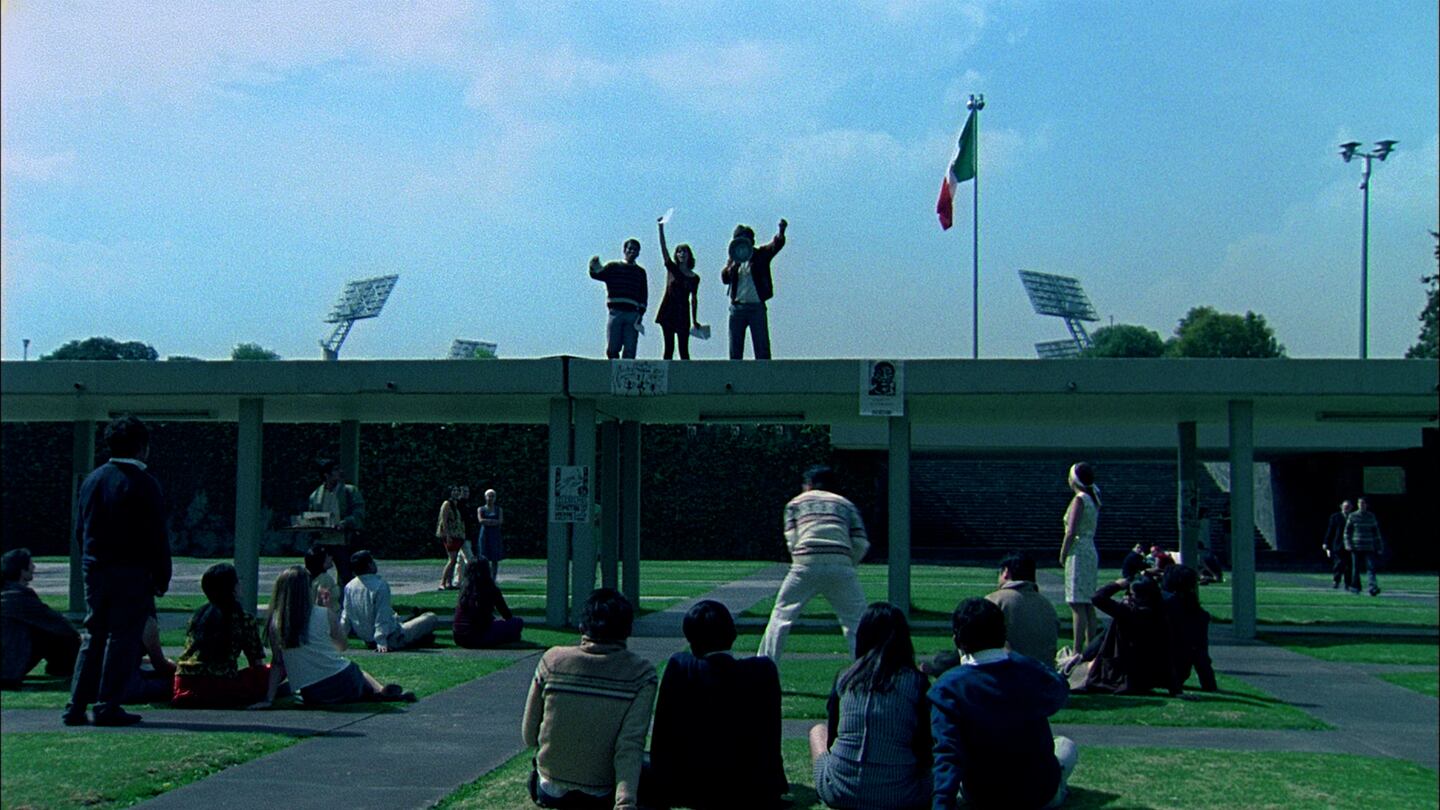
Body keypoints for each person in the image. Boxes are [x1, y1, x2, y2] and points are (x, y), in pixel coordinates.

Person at [64, 414, 172, 727]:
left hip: (96, 568)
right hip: (132, 571)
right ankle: (108, 704)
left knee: (94, 635)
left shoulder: (92, 481)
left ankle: (76, 705)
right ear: (142, 446)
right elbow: (156, 536)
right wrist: (161, 575)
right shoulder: (144, 484)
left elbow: (81, 530)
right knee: (123, 638)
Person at [929, 598, 1077, 810]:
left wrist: (942, 803)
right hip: (1039, 794)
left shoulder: (948, 687)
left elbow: (948, 754)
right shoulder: (1026, 670)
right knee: (1066, 746)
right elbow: (1059, 692)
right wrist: (1017, 658)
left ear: (957, 639)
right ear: (1003, 633)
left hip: (984, 795)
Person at [522, 588, 657, 810]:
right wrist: (625, 802)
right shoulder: (641, 674)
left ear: (582, 626)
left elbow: (529, 736)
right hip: (601, 791)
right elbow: (630, 744)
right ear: (628, 629)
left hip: (549, 787)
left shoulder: (551, 661)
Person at [649, 600, 787, 809]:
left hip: (691, 786)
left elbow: (663, 734)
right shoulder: (762, 672)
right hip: (751, 786)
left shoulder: (683, 669)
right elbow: (771, 735)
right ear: (732, 633)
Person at [810, 602, 931, 810]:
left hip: (839, 791)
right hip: (900, 796)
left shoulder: (845, 678)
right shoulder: (916, 682)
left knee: (817, 731)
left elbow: (831, 739)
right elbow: (923, 748)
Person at [254, 565, 414, 707]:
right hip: (342, 679)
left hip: (313, 693)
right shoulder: (324, 614)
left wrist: (269, 699)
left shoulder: (276, 623)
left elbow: (278, 663)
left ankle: (376, 692)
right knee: (355, 670)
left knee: (291, 687)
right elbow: (342, 646)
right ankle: (379, 691)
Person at [757, 465, 869, 663]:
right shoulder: (846, 504)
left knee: (781, 617)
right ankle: (867, 669)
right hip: (841, 564)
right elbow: (860, 542)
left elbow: (792, 539)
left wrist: (801, 558)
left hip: (805, 564)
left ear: (809, 484)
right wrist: (848, 563)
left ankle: (764, 667)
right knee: (857, 622)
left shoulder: (795, 503)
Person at [924, 552, 1059, 677]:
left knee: (946, 658)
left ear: (1005, 572)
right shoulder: (1047, 606)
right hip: (1045, 675)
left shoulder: (994, 601)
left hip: (1007, 675)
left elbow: (971, 644)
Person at [172, 563, 272, 708]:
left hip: (185, 684)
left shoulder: (198, 617)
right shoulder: (243, 618)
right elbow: (256, 662)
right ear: (232, 588)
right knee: (274, 670)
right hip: (221, 685)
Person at [1080, 575, 1180, 696]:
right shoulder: (1160, 617)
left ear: (1141, 597)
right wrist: (1175, 689)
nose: (1128, 597)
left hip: (1120, 675)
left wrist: (1117, 585)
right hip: (1144, 678)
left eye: (1131, 595)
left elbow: (1097, 598)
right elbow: (1167, 654)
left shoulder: (1129, 613)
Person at [1, 548, 80, 690]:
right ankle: (63, 668)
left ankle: (60, 667)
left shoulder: (7, 593)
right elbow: (60, 624)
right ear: (22, 571)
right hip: (7, 668)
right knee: (54, 632)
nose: (34, 567)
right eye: (31, 564)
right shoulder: (18, 596)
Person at [341, 551, 437, 652]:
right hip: (392, 637)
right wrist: (381, 640)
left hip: (368, 639)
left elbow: (346, 616)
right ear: (369, 565)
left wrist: (341, 638)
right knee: (431, 618)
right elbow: (382, 615)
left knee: (405, 620)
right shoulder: (380, 585)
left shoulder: (349, 587)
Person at [721, 218, 786, 359]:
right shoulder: (733, 259)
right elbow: (724, 278)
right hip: (737, 308)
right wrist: (733, 265)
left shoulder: (760, 255)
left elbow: (775, 245)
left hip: (756, 307)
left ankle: (764, 372)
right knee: (735, 348)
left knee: (762, 347)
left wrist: (781, 231)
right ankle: (735, 372)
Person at [1058, 462, 1100, 655]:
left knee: (1076, 602)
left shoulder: (1079, 500)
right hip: (1089, 549)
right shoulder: (1092, 499)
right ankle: (1091, 646)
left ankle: (1077, 649)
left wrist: (1063, 553)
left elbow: (1071, 531)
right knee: (1088, 602)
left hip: (1078, 551)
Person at [307, 458, 365, 584]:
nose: (340, 472)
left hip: (342, 542)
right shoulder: (315, 495)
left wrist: (345, 523)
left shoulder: (349, 491)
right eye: (336, 470)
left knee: (346, 576)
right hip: (322, 541)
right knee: (316, 575)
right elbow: (312, 517)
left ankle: (344, 596)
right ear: (326, 475)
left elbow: (359, 513)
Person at [588, 239, 648, 359]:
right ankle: (613, 367)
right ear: (624, 250)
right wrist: (593, 265)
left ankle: (626, 369)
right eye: (630, 249)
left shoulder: (640, 272)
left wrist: (641, 313)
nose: (632, 251)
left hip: (633, 313)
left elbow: (643, 294)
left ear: (638, 253)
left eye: (635, 250)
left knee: (630, 348)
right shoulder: (613, 267)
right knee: (612, 347)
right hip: (615, 312)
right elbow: (597, 274)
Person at [1161, 565, 1218, 692]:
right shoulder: (1197, 614)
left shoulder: (1162, 605)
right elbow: (1201, 656)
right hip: (1178, 674)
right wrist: (1209, 685)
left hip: (1153, 672)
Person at [452, 556, 523, 648]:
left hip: (458, 637)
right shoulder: (491, 589)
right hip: (479, 635)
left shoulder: (464, 589)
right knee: (517, 622)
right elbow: (507, 615)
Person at [655, 218, 701, 360]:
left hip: (683, 313)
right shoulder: (672, 269)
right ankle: (665, 373)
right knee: (669, 348)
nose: (682, 254)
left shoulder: (694, 277)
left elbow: (694, 299)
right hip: (669, 310)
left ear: (689, 255)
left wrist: (695, 320)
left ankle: (686, 374)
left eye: (684, 252)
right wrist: (661, 228)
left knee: (684, 351)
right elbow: (664, 249)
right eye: (679, 252)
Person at [1345, 497, 1385, 596]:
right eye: (1359, 503)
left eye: (1363, 503)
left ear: (1366, 505)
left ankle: (1373, 587)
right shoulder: (1352, 516)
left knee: (1371, 568)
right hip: (1356, 546)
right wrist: (1348, 544)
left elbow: (1376, 532)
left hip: (1369, 546)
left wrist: (1379, 546)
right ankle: (1355, 587)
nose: (1361, 505)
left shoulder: (1371, 516)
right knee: (1356, 568)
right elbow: (1347, 532)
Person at [435, 485, 469, 590]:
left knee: (453, 560)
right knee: (452, 559)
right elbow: (444, 521)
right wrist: (447, 535)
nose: (456, 492)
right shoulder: (447, 504)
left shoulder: (456, 504)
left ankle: (449, 582)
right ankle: (442, 582)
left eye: (457, 490)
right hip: (450, 535)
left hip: (457, 534)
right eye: (453, 490)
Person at [1322, 500, 1355, 590]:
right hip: (1338, 544)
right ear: (1341, 506)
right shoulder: (1335, 517)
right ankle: (1336, 580)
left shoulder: (1353, 517)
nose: (1346, 508)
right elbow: (1330, 530)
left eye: (1348, 506)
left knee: (1349, 565)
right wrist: (1326, 542)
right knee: (1339, 563)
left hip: (1350, 544)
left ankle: (1348, 583)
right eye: (1345, 506)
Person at [304, 543, 342, 619]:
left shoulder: (306, 577)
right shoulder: (325, 579)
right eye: (327, 556)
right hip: (329, 618)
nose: (331, 558)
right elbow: (323, 603)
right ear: (320, 560)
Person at [476, 488, 505, 580]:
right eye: (489, 496)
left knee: (494, 558)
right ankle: (484, 577)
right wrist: (493, 521)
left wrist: (488, 521)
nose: (490, 498)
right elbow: (481, 520)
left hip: (495, 535)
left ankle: (493, 578)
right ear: (485, 497)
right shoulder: (481, 509)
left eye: (492, 496)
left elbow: (500, 521)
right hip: (485, 534)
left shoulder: (498, 509)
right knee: (484, 557)